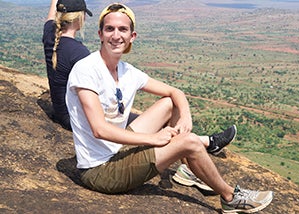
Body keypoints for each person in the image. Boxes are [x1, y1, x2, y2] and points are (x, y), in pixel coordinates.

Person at [66, 3, 273, 213]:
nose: (116, 35)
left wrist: (185, 117)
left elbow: (175, 93)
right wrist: (153, 139)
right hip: (100, 169)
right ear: (100, 34)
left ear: (132, 36)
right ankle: (230, 197)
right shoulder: (86, 70)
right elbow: (99, 130)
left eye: (123, 29)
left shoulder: (127, 71)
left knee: (169, 103)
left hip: (117, 149)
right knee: (191, 142)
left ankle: (188, 169)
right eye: (110, 29)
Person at [42, 0, 92, 130]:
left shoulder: (49, 35)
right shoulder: (79, 52)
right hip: (73, 119)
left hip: (61, 112)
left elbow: (51, 17)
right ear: (80, 18)